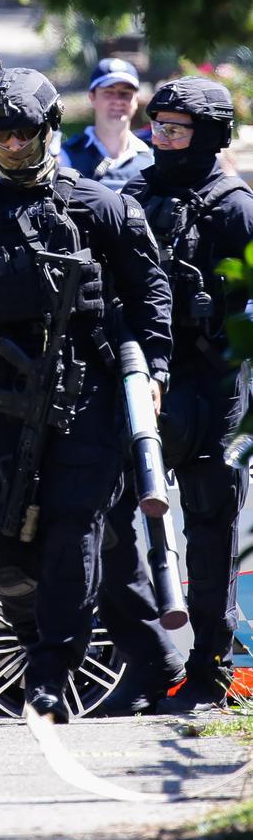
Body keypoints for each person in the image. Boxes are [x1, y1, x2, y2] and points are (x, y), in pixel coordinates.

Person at [0, 66, 172, 724]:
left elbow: (151, 297)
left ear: (50, 129)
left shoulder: (101, 207)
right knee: (4, 545)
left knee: (72, 530)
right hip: (3, 403)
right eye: (0, 136)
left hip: (89, 398)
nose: (14, 146)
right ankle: (40, 640)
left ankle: (53, 666)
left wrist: (155, 374)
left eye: (25, 133)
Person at [100, 76, 253, 715]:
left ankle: (209, 668)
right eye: (156, 127)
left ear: (208, 136)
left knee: (212, 527)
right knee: (107, 512)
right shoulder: (130, 197)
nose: (161, 140)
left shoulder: (236, 208)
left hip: (215, 388)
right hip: (145, 382)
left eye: (175, 130)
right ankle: (144, 661)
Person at [59, 57, 153, 192]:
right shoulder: (66, 157)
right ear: (92, 97)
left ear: (136, 100)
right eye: (108, 92)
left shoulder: (151, 158)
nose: (118, 101)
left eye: (125, 93)